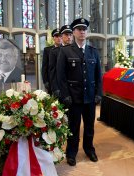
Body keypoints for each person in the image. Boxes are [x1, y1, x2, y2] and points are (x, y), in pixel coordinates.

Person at [57, 18, 102, 166]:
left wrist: (98, 93)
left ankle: (89, 149)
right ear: (74, 32)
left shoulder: (93, 52)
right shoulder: (65, 51)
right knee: (73, 127)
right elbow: (60, 76)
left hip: (89, 97)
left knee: (90, 127)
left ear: (86, 32)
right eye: (79, 29)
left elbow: (98, 75)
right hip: (73, 98)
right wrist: (65, 95)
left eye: (84, 29)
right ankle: (71, 153)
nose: (82, 31)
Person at [49, 25, 73, 97]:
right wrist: (55, 88)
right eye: (66, 35)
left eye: (70, 35)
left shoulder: (76, 51)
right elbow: (52, 71)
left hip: (74, 89)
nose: (69, 37)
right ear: (61, 36)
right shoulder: (55, 51)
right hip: (61, 87)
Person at [41, 28, 61, 94]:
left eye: (60, 36)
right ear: (53, 38)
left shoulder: (67, 50)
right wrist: (45, 81)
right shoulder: (48, 50)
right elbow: (44, 67)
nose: (59, 38)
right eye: (57, 36)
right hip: (51, 80)